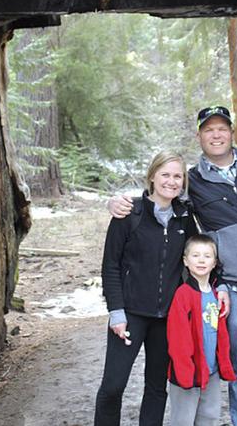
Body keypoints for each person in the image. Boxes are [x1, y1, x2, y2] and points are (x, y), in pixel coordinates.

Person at [109, 106, 237, 426]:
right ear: (200, 136)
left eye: (222, 128)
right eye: (209, 130)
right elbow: (162, 192)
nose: (216, 135)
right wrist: (120, 202)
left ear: (233, 132)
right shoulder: (193, 180)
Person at [95, 150, 198, 426]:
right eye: (165, 174)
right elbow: (111, 266)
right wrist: (116, 311)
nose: (172, 181)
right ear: (152, 176)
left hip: (167, 319)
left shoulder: (184, 217)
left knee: (156, 387)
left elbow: (197, 258)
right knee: (113, 385)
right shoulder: (130, 213)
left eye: (178, 176)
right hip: (130, 314)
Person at [167, 235, 236, 426]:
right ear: (185, 261)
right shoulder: (183, 295)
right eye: (195, 255)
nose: (201, 260)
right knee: (183, 420)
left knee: (209, 417)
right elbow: (177, 338)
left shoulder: (217, 295)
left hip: (211, 370)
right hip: (187, 371)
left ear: (215, 263)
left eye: (207, 256)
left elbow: (219, 333)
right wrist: (184, 371)